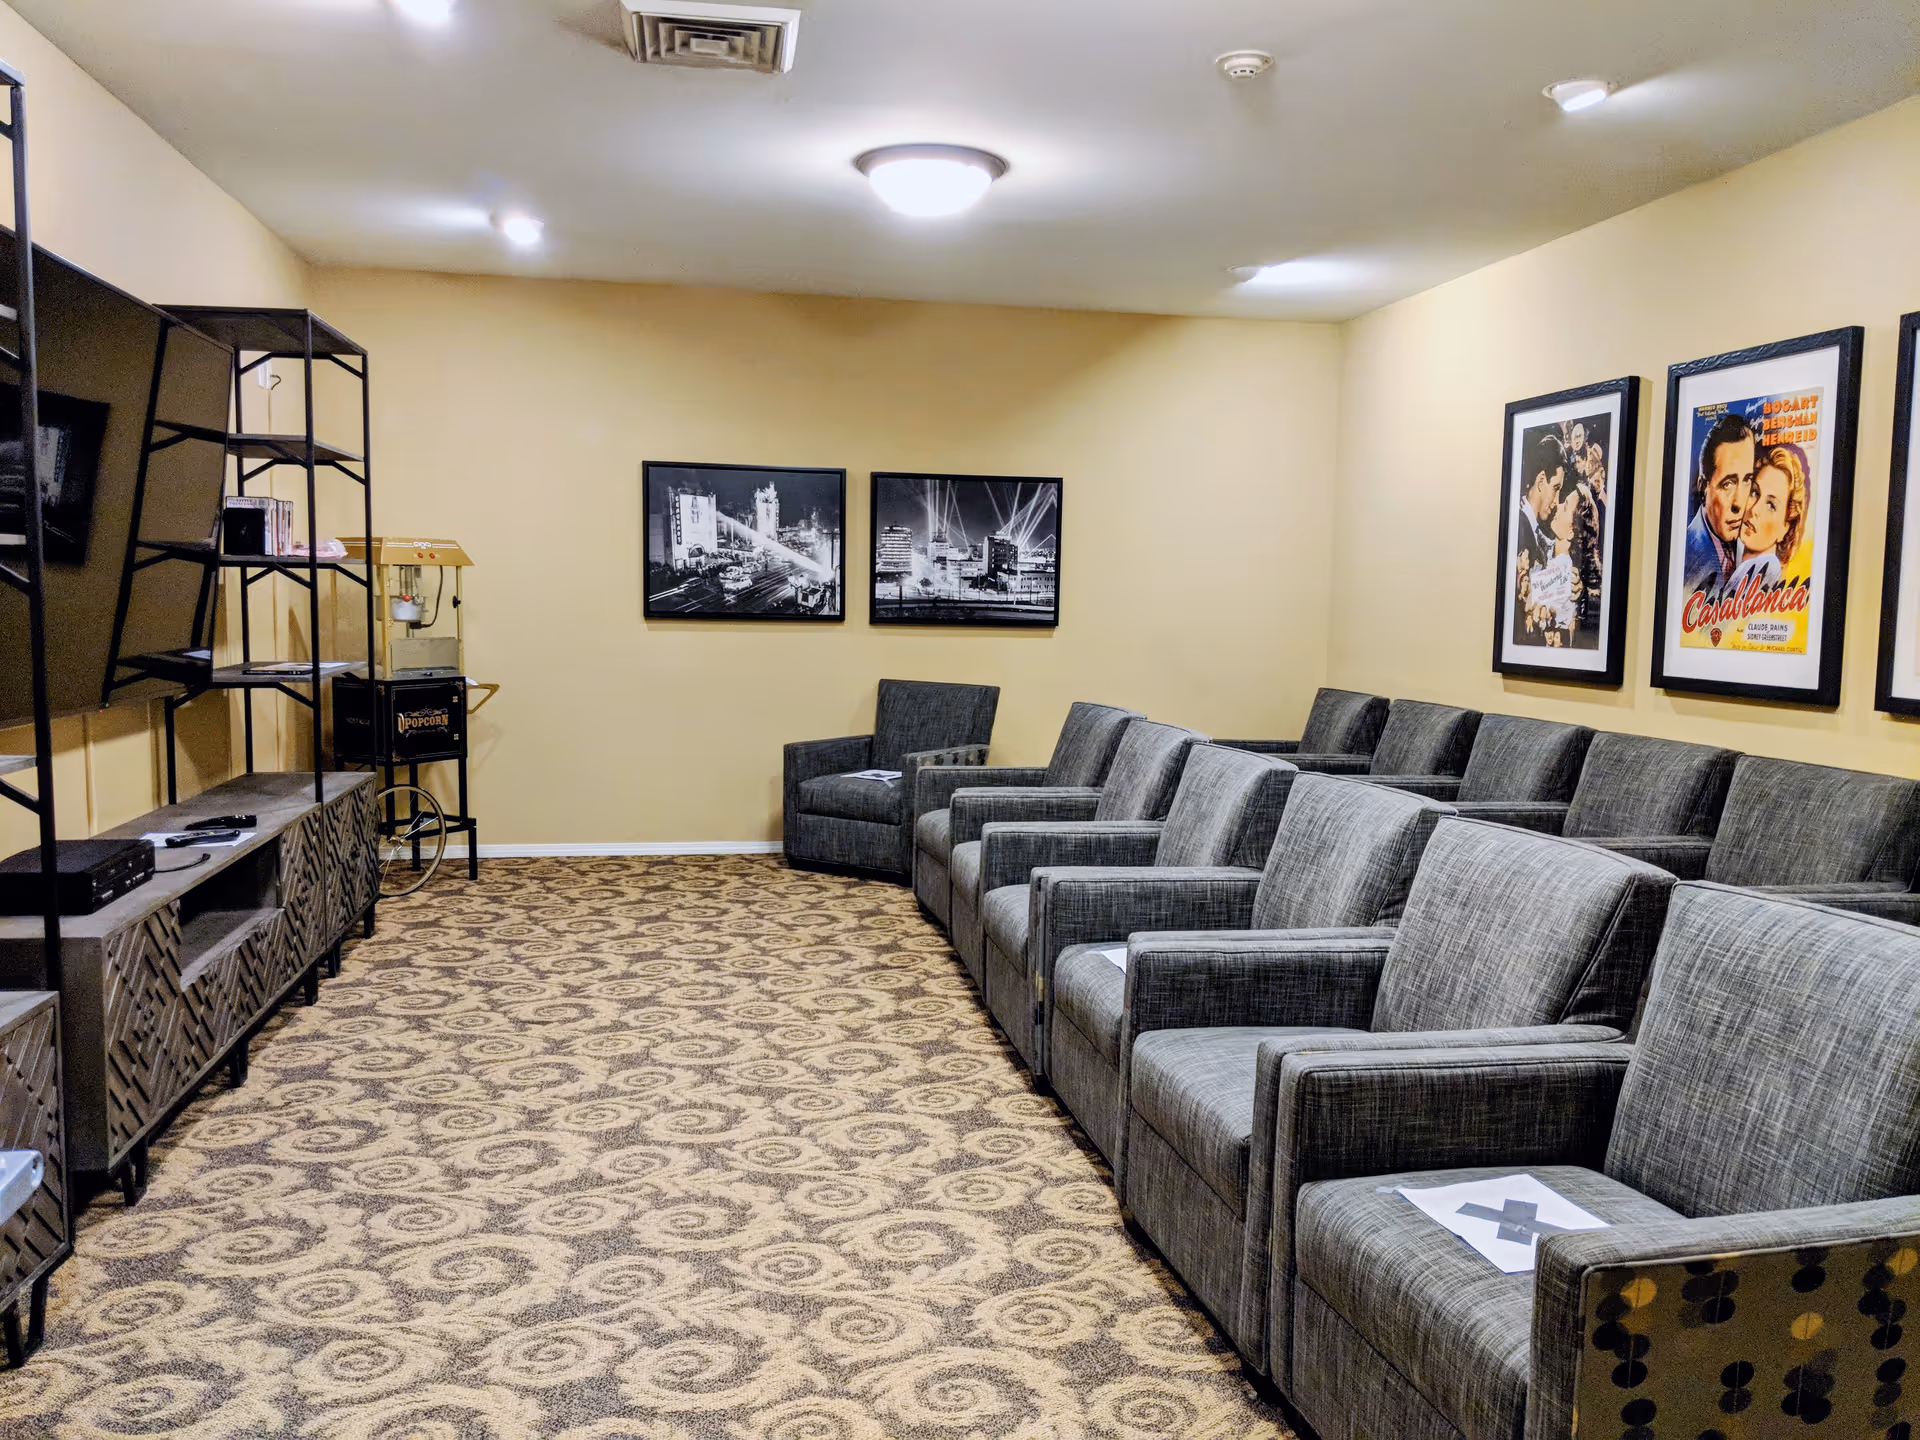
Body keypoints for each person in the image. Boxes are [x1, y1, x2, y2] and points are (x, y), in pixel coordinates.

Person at [1683, 411, 1756, 594]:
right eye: (1728, 484)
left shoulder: (1751, 545)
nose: (1739, 503)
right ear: (1703, 488)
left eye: (1747, 480)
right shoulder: (1687, 558)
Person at [1725, 444, 1808, 594]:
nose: (1754, 509)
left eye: (1771, 505)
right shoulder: (1738, 563)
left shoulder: (1764, 568)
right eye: (1755, 492)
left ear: (1785, 527)